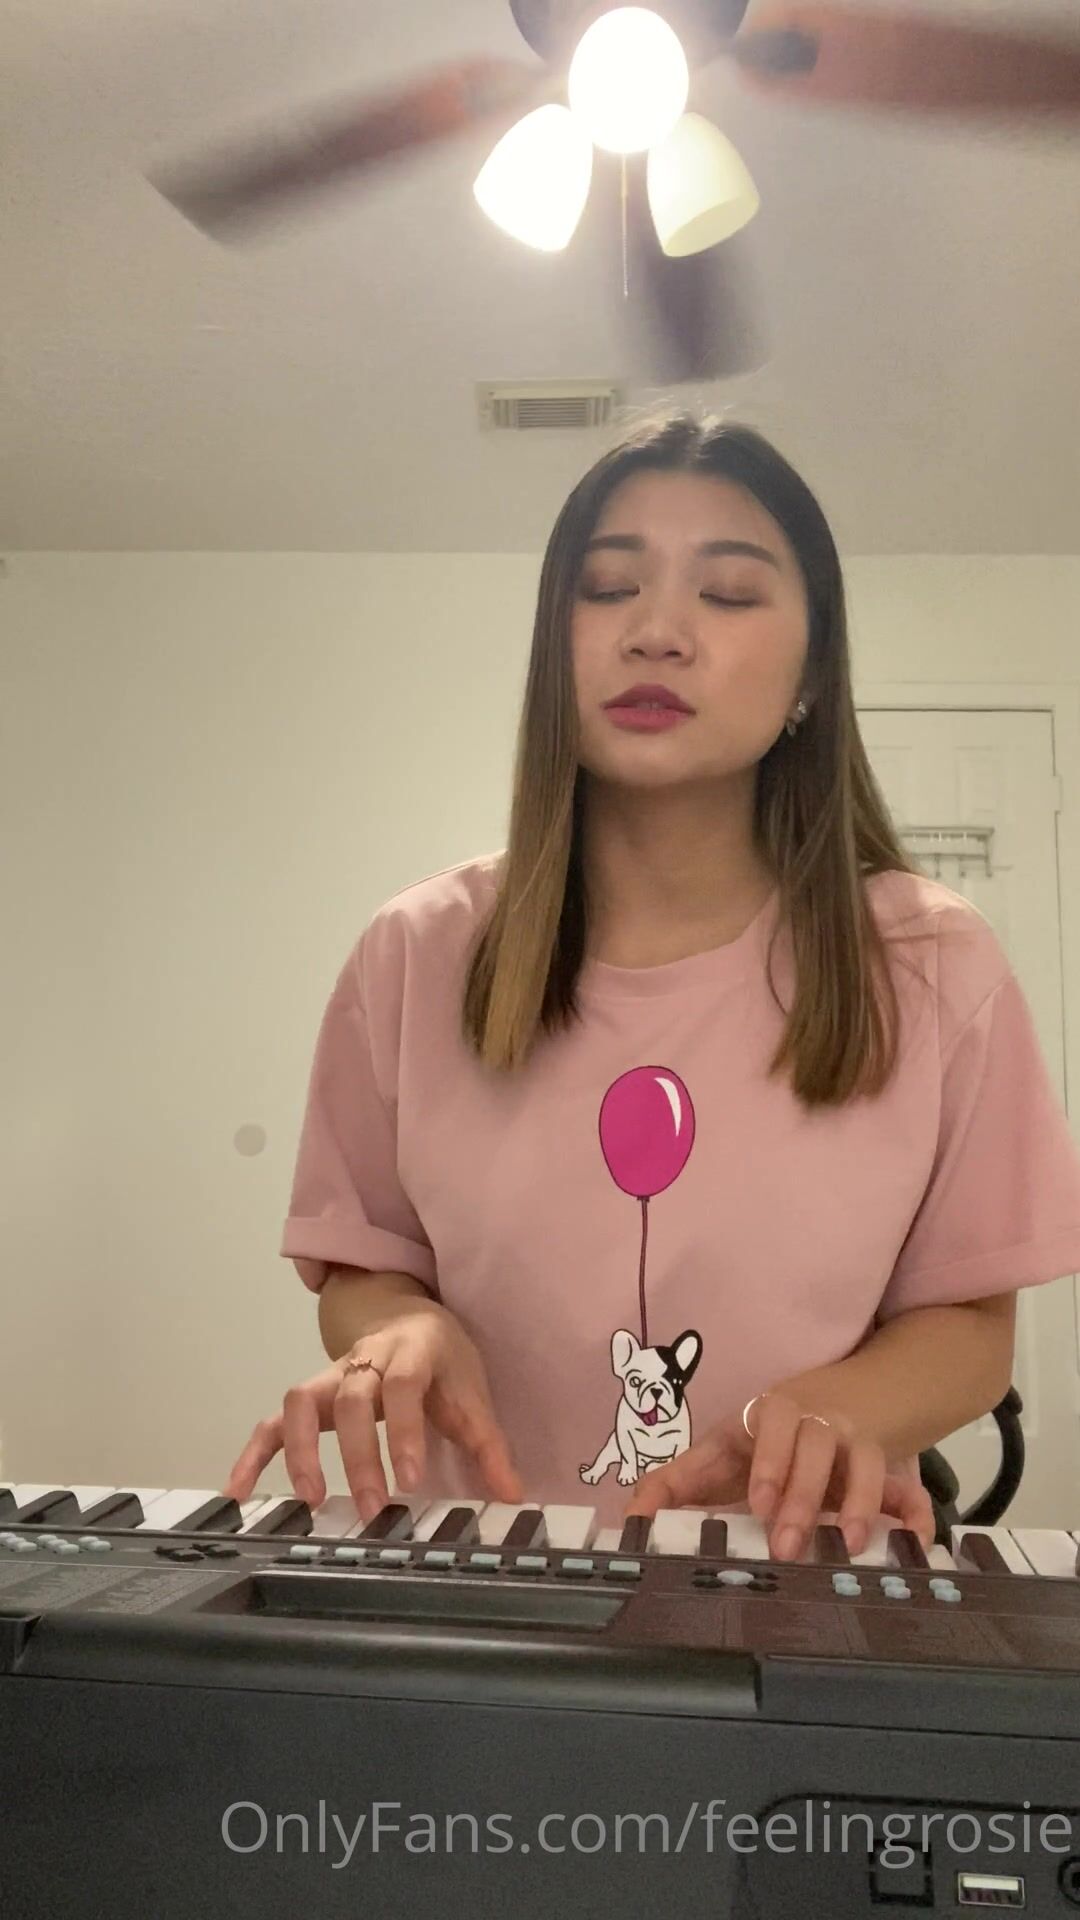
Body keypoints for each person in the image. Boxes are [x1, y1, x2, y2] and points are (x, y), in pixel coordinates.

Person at [227, 413, 1080, 1560]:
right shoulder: (412, 954)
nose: (657, 633)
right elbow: (365, 1270)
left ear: (812, 676)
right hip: (482, 1594)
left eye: (727, 595)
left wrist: (820, 1417)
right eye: (608, 589)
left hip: (795, 1587)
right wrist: (400, 1333)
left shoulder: (932, 964)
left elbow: (972, 1331)